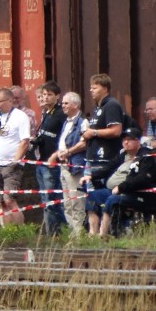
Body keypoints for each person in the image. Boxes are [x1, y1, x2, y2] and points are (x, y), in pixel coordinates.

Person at [85, 124, 156, 236]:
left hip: (137, 194)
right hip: (116, 190)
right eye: (124, 140)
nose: (126, 142)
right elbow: (108, 168)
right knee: (93, 196)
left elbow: (141, 179)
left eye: (129, 140)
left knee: (112, 200)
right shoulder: (123, 155)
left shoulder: (146, 157)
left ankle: (103, 234)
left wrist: (121, 187)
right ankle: (93, 233)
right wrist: (92, 176)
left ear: (138, 141)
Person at [0, 87, 32, 227]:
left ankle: (20, 230)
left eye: (0, 101)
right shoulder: (0, 117)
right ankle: (8, 231)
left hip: (10, 164)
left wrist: (16, 161)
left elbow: (25, 141)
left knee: (9, 199)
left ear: (10, 100)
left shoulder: (20, 116)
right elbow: (1, 140)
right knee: (0, 201)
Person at [49, 91, 89, 235]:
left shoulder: (82, 122)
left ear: (75, 105)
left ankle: (79, 234)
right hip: (64, 165)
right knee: (67, 202)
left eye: (66, 103)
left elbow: (85, 143)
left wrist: (69, 152)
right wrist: (59, 154)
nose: (63, 106)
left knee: (76, 201)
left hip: (75, 167)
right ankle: (72, 232)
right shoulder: (67, 122)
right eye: (63, 103)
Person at [32, 81, 66, 234]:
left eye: (49, 95)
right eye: (44, 95)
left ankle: (56, 232)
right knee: (45, 200)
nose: (45, 98)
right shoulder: (46, 113)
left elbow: (62, 138)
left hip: (52, 163)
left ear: (57, 96)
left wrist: (56, 155)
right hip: (41, 160)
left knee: (52, 199)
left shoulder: (60, 114)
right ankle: (49, 231)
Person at [81, 73, 125, 187]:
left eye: (95, 88)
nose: (91, 90)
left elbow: (116, 131)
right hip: (92, 158)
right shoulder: (98, 107)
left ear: (105, 89)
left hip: (103, 160)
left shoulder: (111, 105)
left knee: (98, 196)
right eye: (90, 88)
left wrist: (93, 132)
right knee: (90, 195)